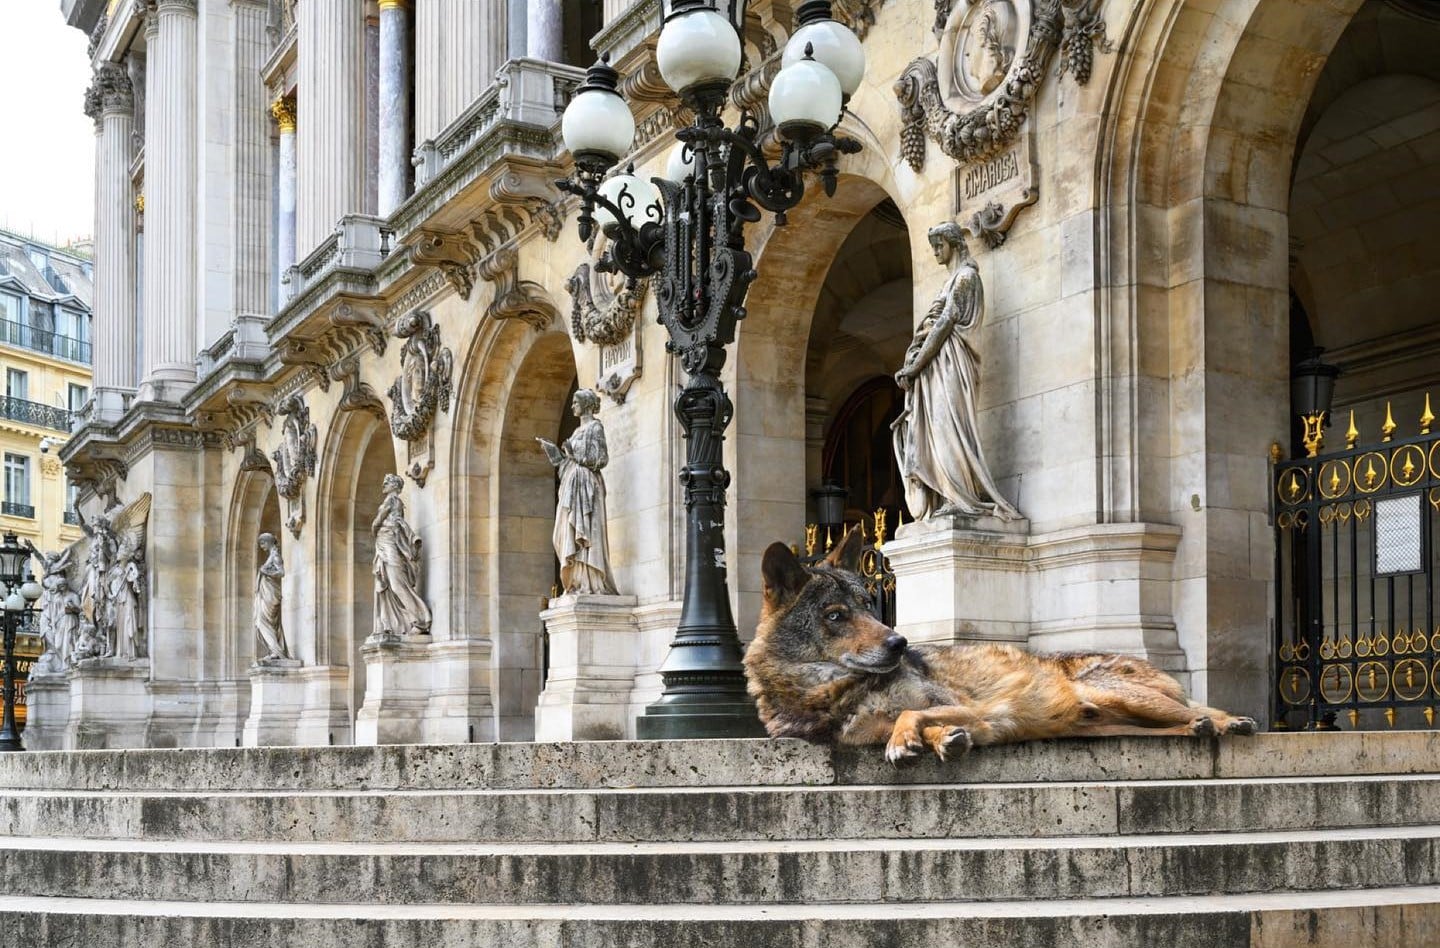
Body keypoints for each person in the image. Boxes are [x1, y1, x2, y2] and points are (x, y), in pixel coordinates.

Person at [892, 221, 1021, 521]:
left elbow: (943, 325)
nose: (936, 252)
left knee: (949, 426)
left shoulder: (966, 278)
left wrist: (914, 367)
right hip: (938, 366)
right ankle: (947, 494)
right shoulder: (950, 282)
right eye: (933, 247)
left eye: (939, 245)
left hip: (950, 364)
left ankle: (960, 494)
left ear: (954, 243)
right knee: (938, 428)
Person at [539, 389, 618, 595]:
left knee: (585, 533)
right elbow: (568, 464)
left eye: (576, 401)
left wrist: (574, 455)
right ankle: (576, 581)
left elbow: (601, 459)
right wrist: (557, 457)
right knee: (563, 532)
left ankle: (590, 582)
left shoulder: (595, 428)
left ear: (587, 404)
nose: (572, 405)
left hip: (586, 487)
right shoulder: (576, 432)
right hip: (571, 486)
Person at [371, 474, 432, 638]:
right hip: (384, 544)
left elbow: (377, 521)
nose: (384, 483)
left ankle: (419, 619)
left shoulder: (392, 500)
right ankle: (392, 623)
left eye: (388, 482)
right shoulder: (392, 501)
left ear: (395, 486)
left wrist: (375, 528)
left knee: (397, 585)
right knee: (387, 586)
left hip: (389, 544)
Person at [254, 533, 290, 662]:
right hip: (265, 592)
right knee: (260, 621)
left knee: (263, 621)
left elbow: (281, 572)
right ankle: (274, 650)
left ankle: (277, 651)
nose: (262, 546)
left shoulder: (275, 556)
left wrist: (266, 571)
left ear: (269, 542)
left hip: (270, 593)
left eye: (263, 543)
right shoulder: (270, 556)